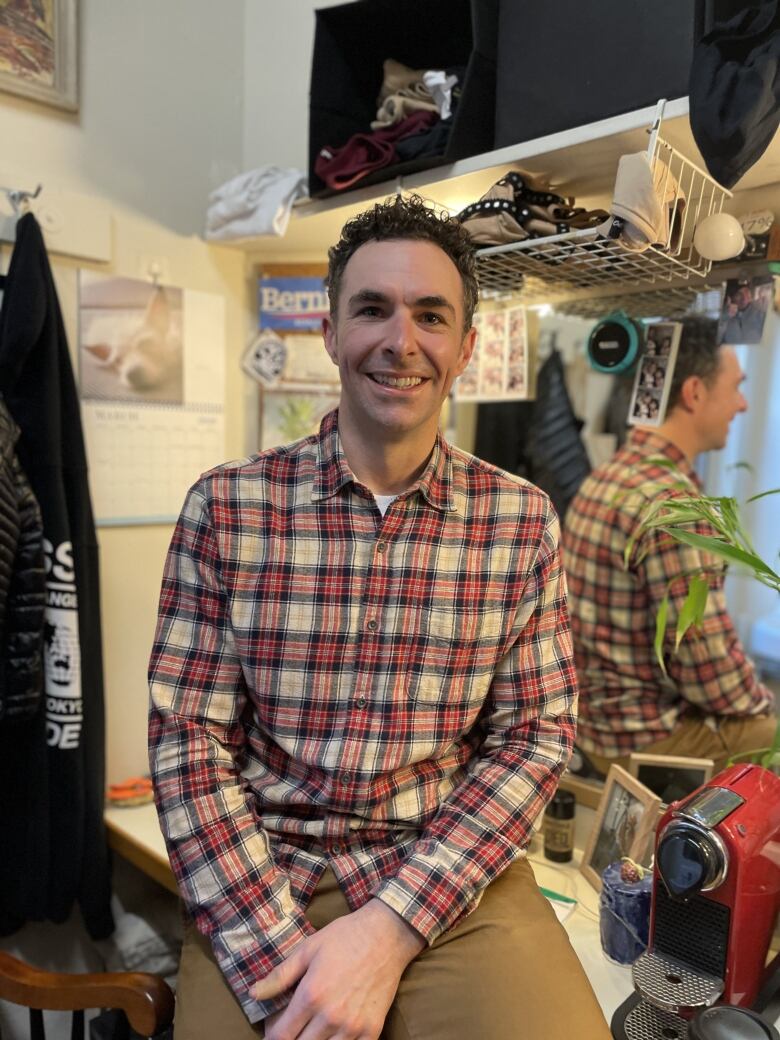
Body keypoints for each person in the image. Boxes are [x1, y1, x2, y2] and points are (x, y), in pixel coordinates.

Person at [148, 195, 610, 1040]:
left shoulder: (521, 521)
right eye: (372, 309)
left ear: (467, 346)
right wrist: (275, 959)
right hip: (266, 871)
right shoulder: (227, 508)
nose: (401, 341)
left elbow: (536, 736)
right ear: (329, 332)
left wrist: (392, 929)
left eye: (430, 315)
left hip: (449, 876)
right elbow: (187, 740)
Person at [563, 317, 776, 778]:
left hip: (593, 725)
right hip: (644, 739)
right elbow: (710, 672)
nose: (741, 404)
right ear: (695, 392)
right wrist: (765, 705)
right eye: (736, 387)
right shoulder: (673, 505)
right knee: (772, 733)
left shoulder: (609, 474)